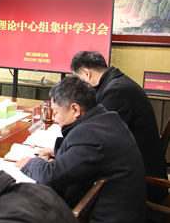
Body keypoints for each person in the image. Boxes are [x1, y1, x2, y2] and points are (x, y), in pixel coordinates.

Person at [17, 76, 146, 223]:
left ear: (75, 110)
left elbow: (51, 176)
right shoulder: (107, 119)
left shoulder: (89, 136)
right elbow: (88, 155)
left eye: (56, 112)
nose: (55, 119)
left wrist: (31, 162)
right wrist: (59, 153)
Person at [71, 50, 168, 204]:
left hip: (140, 181)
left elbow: (97, 135)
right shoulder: (117, 83)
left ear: (86, 73)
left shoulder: (116, 92)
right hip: (139, 166)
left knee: (73, 185)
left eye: (78, 79)